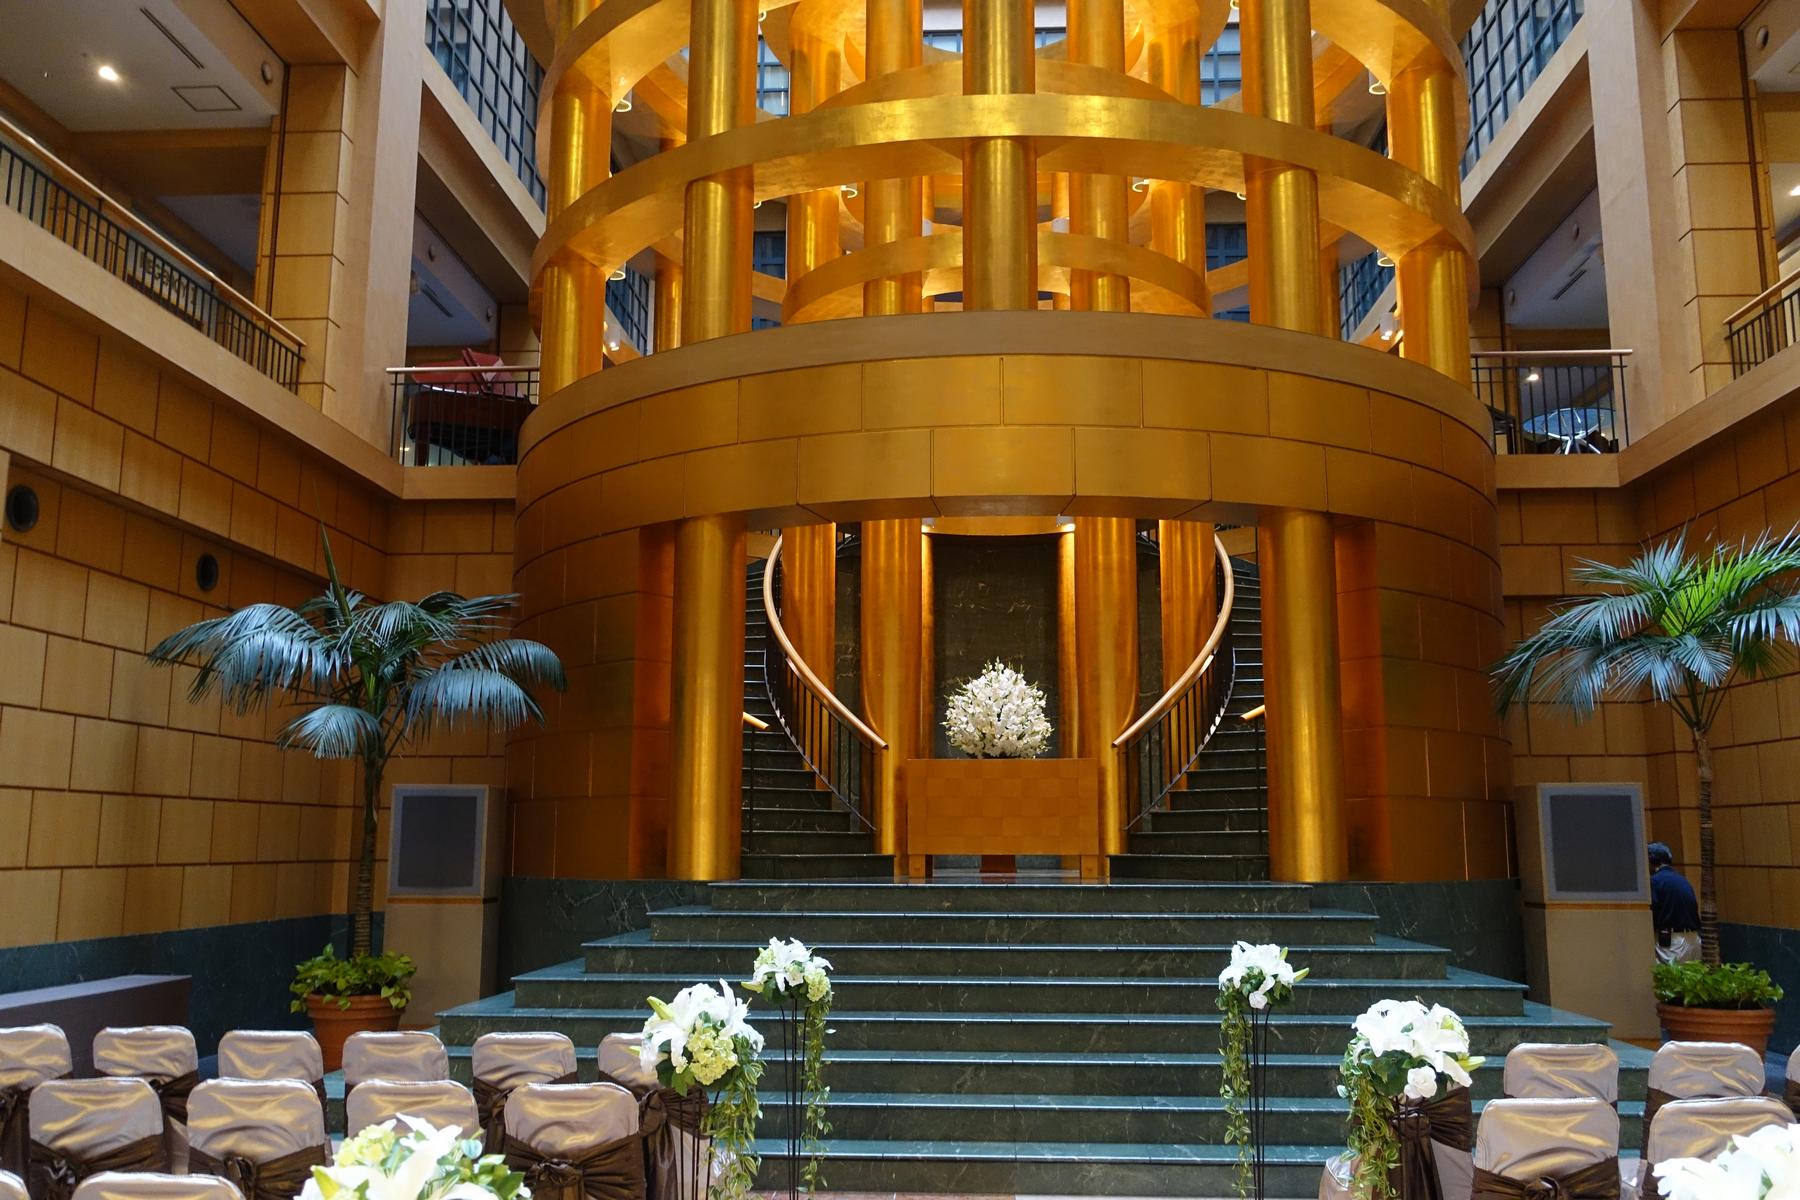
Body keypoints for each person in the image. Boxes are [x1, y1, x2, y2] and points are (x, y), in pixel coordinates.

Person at [1649, 842, 1701, 963]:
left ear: (1651, 860)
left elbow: (1653, 911)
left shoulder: (1656, 881)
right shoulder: (1681, 879)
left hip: (1672, 942)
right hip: (1694, 940)